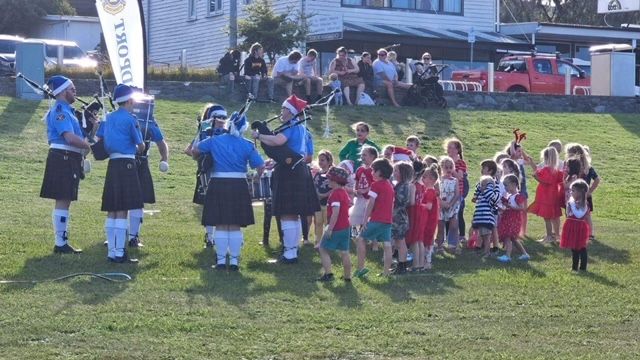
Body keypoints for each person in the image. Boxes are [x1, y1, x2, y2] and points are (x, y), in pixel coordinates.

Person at [251, 95, 320, 263]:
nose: (281, 112)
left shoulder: (291, 126)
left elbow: (277, 141)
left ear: (290, 111)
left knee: (287, 213)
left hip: (289, 172)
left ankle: (289, 253)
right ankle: (292, 250)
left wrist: (258, 136)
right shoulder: (304, 129)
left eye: (283, 109)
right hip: (301, 170)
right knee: (294, 214)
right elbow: (304, 154)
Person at [192, 112, 265, 271]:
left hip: (218, 183)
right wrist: (256, 178)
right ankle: (233, 262)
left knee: (220, 223)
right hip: (239, 184)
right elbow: (260, 166)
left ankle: (219, 261)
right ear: (243, 128)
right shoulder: (247, 144)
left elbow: (195, 151)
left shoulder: (214, 141)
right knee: (235, 224)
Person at [40, 75, 91, 254]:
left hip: (68, 157)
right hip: (63, 156)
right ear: (62, 92)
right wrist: (87, 146)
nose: (75, 91)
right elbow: (69, 137)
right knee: (63, 199)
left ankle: (61, 241)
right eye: (71, 88)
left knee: (65, 200)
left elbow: (77, 134)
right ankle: (60, 243)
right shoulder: (61, 110)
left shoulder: (68, 110)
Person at [97, 84, 145, 263]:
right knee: (123, 209)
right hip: (127, 163)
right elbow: (140, 145)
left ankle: (112, 251)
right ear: (130, 100)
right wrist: (141, 148)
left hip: (113, 163)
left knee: (112, 209)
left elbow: (99, 138)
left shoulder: (107, 117)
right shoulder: (131, 119)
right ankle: (120, 253)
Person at [127, 91, 170, 248]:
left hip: (131, 162)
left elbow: (161, 143)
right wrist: (164, 159)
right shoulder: (150, 123)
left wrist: (164, 158)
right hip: (138, 162)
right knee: (134, 200)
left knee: (130, 200)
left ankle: (130, 235)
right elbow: (161, 144)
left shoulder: (147, 123)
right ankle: (131, 236)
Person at [184, 103, 228, 248]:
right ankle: (210, 237)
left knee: (220, 206)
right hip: (208, 172)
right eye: (219, 117)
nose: (222, 120)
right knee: (210, 205)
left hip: (222, 173)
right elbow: (190, 150)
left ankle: (216, 236)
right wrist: (201, 157)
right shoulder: (204, 132)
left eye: (224, 117)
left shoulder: (228, 133)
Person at [354, 158, 395, 277]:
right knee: (387, 245)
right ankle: (386, 272)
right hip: (387, 220)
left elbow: (370, 203)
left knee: (361, 239)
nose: (371, 173)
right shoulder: (390, 186)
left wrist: (365, 219)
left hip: (376, 219)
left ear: (379, 172)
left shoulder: (375, 185)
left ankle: (360, 268)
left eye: (373, 170)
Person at [316, 166, 353, 282]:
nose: (327, 181)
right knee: (344, 252)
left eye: (329, 179)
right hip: (345, 227)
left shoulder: (335, 194)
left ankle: (328, 274)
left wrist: (330, 229)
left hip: (336, 228)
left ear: (335, 181)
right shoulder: (344, 193)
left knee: (322, 249)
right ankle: (347, 277)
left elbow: (335, 213)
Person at [527, 147, 563, 244]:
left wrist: (536, 178)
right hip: (553, 195)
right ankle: (555, 236)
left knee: (547, 217)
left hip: (545, 196)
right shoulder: (556, 170)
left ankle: (549, 236)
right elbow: (559, 180)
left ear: (546, 157)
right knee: (552, 216)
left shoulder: (546, 169)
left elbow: (545, 181)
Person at [565, 143, 600, 241]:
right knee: (572, 214)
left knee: (586, 215)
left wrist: (590, 191)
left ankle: (589, 234)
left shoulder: (587, 168)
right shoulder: (571, 166)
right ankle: (574, 233)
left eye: (569, 154)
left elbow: (597, 179)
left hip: (583, 195)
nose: (568, 156)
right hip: (574, 195)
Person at [496, 174, 530, 263]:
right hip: (508, 218)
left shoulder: (518, 196)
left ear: (514, 184)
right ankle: (525, 254)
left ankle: (507, 256)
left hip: (513, 219)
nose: (505, 187)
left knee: (508, 237)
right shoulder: (509, 196)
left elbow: (521, 208)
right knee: (513, 239)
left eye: (506, 185)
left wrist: (510, 206)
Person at [560, 179, 591, 271]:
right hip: (576, 226)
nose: (571, 192)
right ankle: (578, 267)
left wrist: (571, 205)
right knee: (577, 248)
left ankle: (579, 268)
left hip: (577, 227)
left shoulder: (580, 204)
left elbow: (576, 215)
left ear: (580, 192)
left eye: (573, 191)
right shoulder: (578, 203)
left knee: (579, 248)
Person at [391, 161, 415, 274]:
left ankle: (402, 265)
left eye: (396, 171)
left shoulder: (404, 186)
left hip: (399, 217)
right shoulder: (399, 185)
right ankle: (400, 264)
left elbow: (401, 201)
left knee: (400, 242)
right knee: (398, 242)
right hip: (397, 217)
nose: (394, 173)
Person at [349, 146, 378, 241]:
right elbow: (356, 182)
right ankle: (356, 236)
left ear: (372, 156)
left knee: (370, 218)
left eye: (365, 155)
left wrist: (366, 190)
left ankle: (373, 240)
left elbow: (376, 184)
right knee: (355, 216)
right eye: (362, 154)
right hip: (360, 198)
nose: (362, 157)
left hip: (371, 199)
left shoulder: (374, 170)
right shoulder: (360, 169)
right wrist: (355, 191)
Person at [471, 169, 500, 258]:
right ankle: (485, 251)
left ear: (489, 186)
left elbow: (495, 198)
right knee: (483, 236)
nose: (482, 186)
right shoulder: (482, 195)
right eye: (481, 184)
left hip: (486, 219)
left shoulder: (488, 194)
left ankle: (487, 252)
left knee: (486, 236)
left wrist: (496, 185)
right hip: (481, 218)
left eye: (484, 184)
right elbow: (476, 196)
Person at [444, 137, 468, 246]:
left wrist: (451, 168)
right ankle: (447, 236)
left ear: (458, 150)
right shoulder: (444, 161)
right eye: (449, 147)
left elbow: (459, 177)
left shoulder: (460, 163)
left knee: (458, 214)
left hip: (458, 193)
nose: (450, 150)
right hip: (446, 192)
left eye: (453, 148)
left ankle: (462, 235)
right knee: (446, 215)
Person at [435, 156, 460, 254]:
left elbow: (457, 194)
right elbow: (436, 194)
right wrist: (442, 203)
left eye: (451, 167)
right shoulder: (439, 180)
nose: (449, 170)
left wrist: (450, 204)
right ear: (441, 168)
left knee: (454, 225)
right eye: (446, 167)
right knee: (440, 227)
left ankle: (454, 245)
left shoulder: (455, 180)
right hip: (441, 205)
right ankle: (439, 245)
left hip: (452, 205)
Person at [312, 150, 333, 246]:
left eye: (323, 160)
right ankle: (318, 241)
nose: (320, 162)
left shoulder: (332, 173)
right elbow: (314, 185)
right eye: (319, 160)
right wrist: (316, 194)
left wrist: (324, 195)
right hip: (318, 203)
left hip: (328, 203)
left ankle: (327, 241)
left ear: (329, 161)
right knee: (318, 222)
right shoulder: (318, 173)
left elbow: (336, 188)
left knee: (327, 222)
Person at [421, 164, 440, 270]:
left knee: (427, 239)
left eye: (424, 177)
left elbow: (429, 206)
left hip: (429, 220)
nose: (422, 179)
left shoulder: (430, 191)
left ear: (432, 179)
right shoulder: (429, 190)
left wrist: (418, 204)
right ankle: (426, 260)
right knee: (428, 239)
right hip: (430, 219)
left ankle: (427, 261)